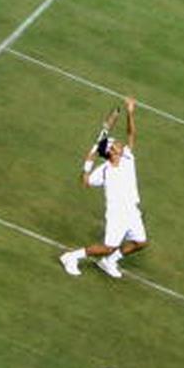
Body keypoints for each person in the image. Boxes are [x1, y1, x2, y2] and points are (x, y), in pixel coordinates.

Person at [59, 97, 148, 279]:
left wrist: (130, 113)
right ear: (110, 152)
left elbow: (132, 135)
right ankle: (71, 257)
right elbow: (85, 181)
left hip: (132, 210)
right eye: (116, 144)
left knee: (140, 242)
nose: (120, 144)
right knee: (108, 246)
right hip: (117, 214)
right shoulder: (104, 171)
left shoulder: (128, 157)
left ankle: (109, 261)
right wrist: (88, 162)